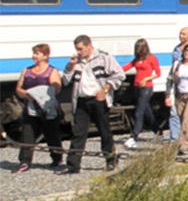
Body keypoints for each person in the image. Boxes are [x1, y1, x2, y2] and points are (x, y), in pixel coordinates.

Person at [65, 35, 121, 173]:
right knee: (78, 132)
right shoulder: (76, 62)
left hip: (98, 99)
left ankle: (111, 159)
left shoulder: (104, 58)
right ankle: (73, 164)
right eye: (77, 49)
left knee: (104, 131)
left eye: (80, 48)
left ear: (89, 45)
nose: (78, 52)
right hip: (82, 100)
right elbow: (65, 80)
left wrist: (105, 89)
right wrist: (71, 66)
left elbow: (119, 75)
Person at [10, 45, 64, 172]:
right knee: (27, 134)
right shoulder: (26, 71)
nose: (35, 56)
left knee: (51, 134)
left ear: (46, 56)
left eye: (38, 53)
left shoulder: (52, 71)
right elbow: (19, 88)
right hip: (30, 106)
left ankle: (57, 158)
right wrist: (27, 95)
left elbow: (56, 88)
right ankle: (25, 161)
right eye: (34, 53)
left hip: (47, 107)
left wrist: (40, 94)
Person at [120, 38, 161, 147]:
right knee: (147, 112)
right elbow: (128, 66)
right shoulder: (137, 59)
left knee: (139, 112)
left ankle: (134, 136)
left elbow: (158, 73)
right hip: (137, 87)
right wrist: (117, 70)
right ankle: (158, 131)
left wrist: (146, 79)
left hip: (146, 87)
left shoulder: (152, 58)